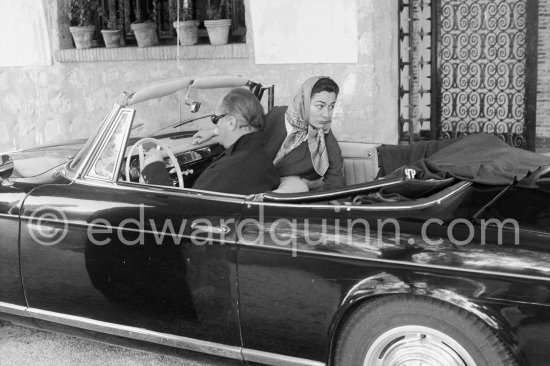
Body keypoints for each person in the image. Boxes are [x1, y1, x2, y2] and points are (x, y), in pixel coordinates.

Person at [193, 76, 345, 193]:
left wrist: (305, 187)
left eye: (331, 107)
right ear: (304, 101)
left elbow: (334, 186)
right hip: (251, 186)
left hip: (280, 204)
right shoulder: (277, 116)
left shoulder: (326, 140)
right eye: (320, 106)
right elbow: (248, 130)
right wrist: (215, 131)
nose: (327, 114)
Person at [141, 88, 280, 195]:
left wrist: (153, 167)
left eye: (215, 119)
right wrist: (215, 132)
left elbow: (178, 212)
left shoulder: (227, 170)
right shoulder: (262, 154)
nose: (215, 125)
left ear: (231, 122)